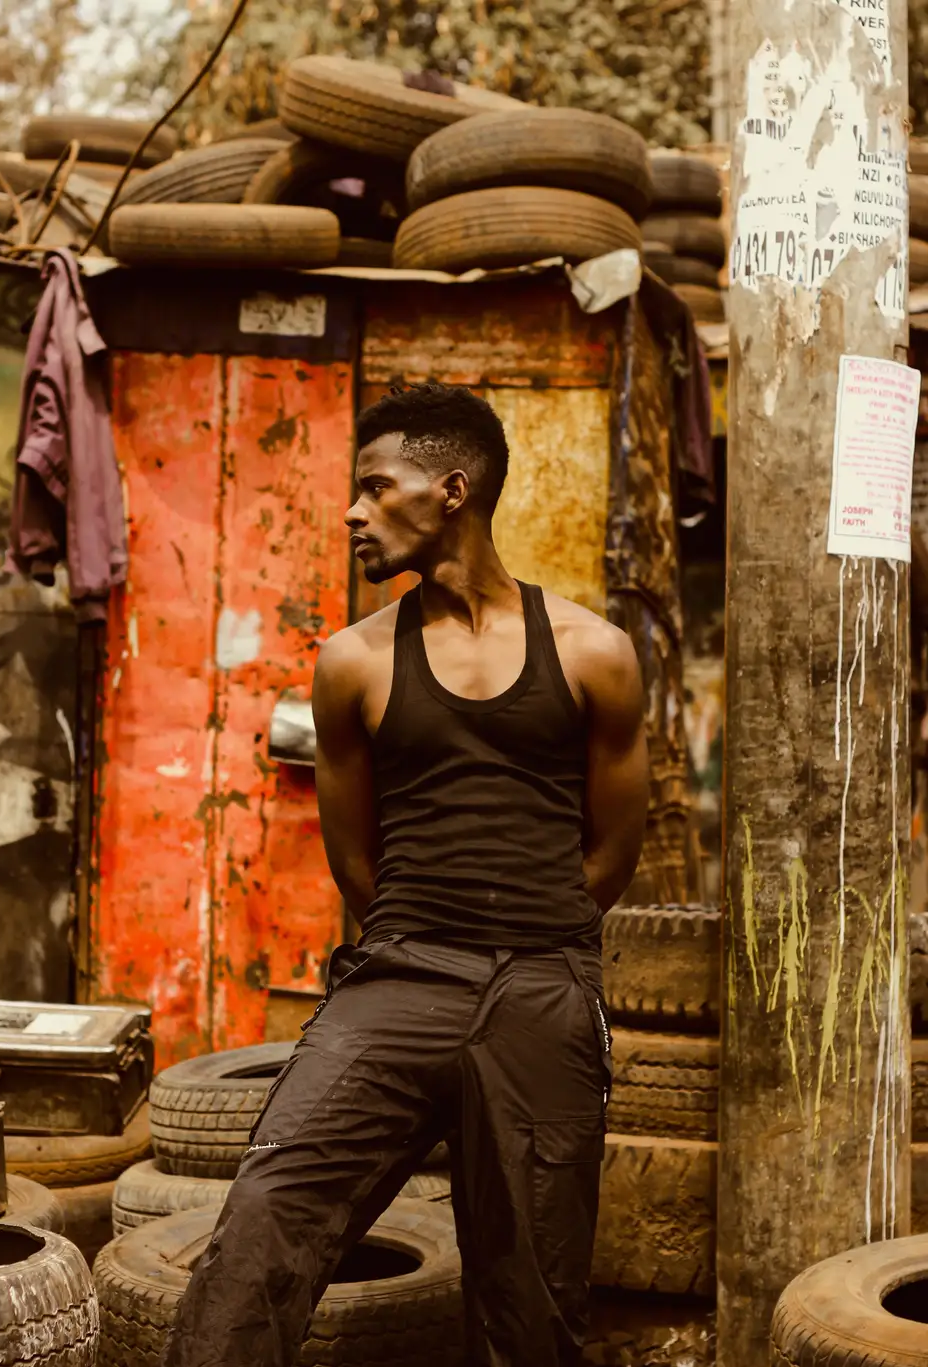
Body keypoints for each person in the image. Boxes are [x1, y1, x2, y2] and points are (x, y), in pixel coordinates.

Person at [162, 381, 649, 1367]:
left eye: (375, 486)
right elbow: (355, 857)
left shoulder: (596, 653)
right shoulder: (354, 661)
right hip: (397, 975)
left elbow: (611, 848)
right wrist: (423, 942)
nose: (352, 509)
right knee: (264, 1222)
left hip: (543, 984)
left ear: (452, 491)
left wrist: (531, 943)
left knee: (532, 1292)